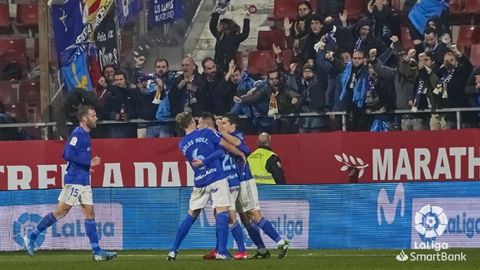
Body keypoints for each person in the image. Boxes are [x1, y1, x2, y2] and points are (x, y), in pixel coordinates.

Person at [23, 106, 117, 261]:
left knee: (90, 213)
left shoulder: (86, 135)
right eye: (93, 116)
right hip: (74, 180)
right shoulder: (78, 134)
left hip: (84, 180)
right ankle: (31, 237)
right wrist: (89, 162)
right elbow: (66, 154)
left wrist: (86, 168)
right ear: (85, 118)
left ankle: (97, 251)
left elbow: (74, 156)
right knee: (61, 212)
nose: (96, 118)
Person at [166, 112, 246, 261]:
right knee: (222, 211)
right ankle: (221, 251)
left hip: (200, 180)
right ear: (192, 121)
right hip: (216, 176)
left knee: (191, 215)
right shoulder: (207, 132)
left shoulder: (182, 144)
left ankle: (173, 251)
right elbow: (223, 149)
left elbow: (194, 162)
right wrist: (241, 154)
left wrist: (202, 163)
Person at [219, 115, 290, 259]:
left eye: (225, 123)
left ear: (233, 126)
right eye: (222, 124)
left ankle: (281, 242)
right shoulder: (222, 140)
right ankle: (262, 250)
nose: (223, 125)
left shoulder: (236, 135)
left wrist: (221, 132)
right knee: (244, 219)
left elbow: (242, 147)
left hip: (246, 181)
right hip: (235, 183)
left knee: (254, 215)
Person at [195, 112, 247, 260]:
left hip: (229, 179)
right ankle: (219, 248)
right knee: (219, 215)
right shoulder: (215, 136)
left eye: (199, 123)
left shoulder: (213, 136)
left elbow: (229, 149)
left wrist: (242, 154)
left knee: (229, 215)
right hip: (222, 180)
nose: (198, 126)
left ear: (206, 124)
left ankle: (241, 251)